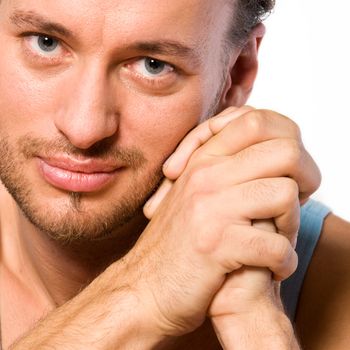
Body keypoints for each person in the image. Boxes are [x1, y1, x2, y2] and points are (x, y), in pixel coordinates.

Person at [1, 0, 349, 349]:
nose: (84, 128)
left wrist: (259, 329)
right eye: (44, 42)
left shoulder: (339, 283)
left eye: (153, 66)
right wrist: (142, 291)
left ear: (236, 74)